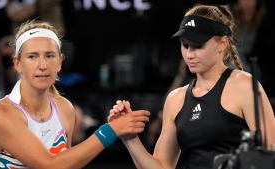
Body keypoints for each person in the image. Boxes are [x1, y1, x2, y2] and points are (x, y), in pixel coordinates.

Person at [108, 4, 275, 169]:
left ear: (222, 43)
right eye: (185, 45)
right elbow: (162, 167)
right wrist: (130, 139)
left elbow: (270, 154)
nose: (189, 54)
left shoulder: (244, 86)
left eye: (198, 46)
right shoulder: (176, 99)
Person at [0, 19, 150, 169]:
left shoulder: (64, 107)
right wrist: (110, 130)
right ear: (17, 64)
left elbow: (67, 164)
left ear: (60, 62)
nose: (43, 65)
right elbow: (49, 165)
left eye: (50, 56)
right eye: (32, 56)